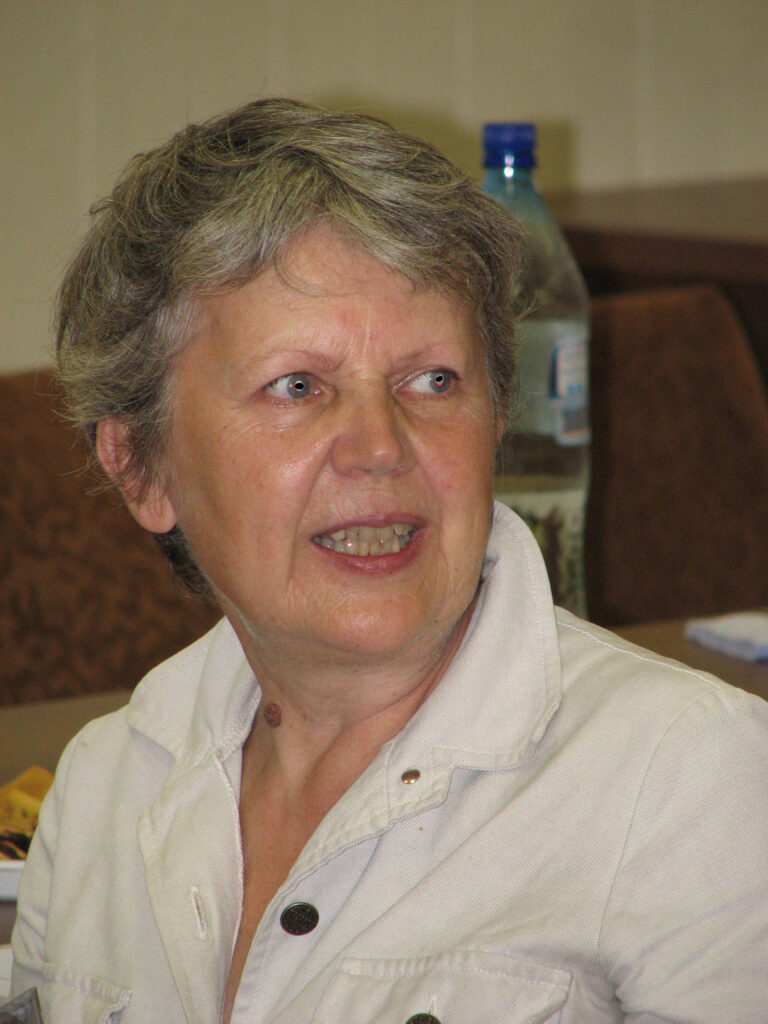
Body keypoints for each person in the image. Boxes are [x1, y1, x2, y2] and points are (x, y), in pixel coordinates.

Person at [10, 98, 768, 1024]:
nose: (380, 446)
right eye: (298, 386)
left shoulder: (686, 784)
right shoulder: (100, 793)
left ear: (497, 422)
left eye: (433, 380)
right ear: (139, 467)